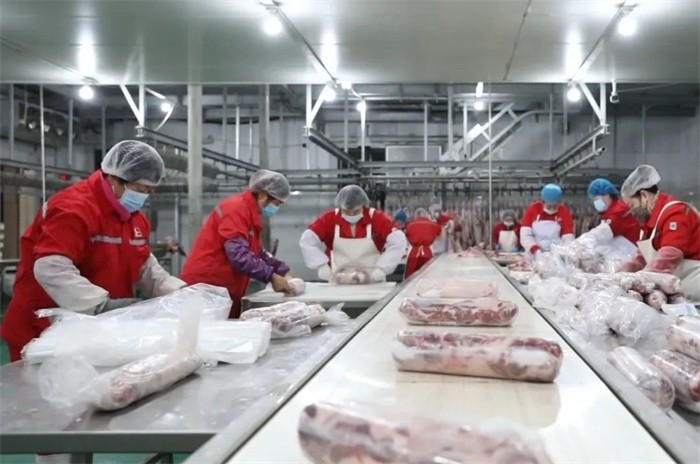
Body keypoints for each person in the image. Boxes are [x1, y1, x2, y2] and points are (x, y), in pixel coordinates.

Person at [181, 170, 295, 318]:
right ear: (262, 195)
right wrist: (271, 277)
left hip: (222, 290)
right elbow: (238, 254)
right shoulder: (236, 209)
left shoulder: (250, 215)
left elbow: (258, 252)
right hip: (206, 290)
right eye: (276, 204)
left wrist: (283, 271)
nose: (275, 209)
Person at [618, 165, 700, 300]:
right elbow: (641, 258)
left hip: (694, 283)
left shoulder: (675, 212)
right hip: (677, 285)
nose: (632, 212)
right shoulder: (649, 222)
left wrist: (641, 280)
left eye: (632, 205)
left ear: (644, 195)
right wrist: (619, 275)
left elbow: (670, 254)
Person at [299, 185, 407, 281]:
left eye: (356, 211)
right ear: (340, 208)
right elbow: (307, 240)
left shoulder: (377, 218)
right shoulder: (329, 219)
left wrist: (382, 269)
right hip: (340, 280)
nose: (351, 215)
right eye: (346, 211)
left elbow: (398, 241)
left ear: (363, 206)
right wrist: (321, 265)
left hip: (373, 281)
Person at [520, 183, 575, 257]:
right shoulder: (532, 210)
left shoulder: (564, 212)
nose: (552, 209)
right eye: (549, 207)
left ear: (559, 202)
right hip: (534, 255)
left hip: (556, 254)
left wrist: (565, 252)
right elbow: (525, 235)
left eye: (555, 206)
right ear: (542, 201)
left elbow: (568, 237)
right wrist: (535, 250)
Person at [587, 178, 641, 246]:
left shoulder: (618, 212)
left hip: (628, 250)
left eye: (596, 199)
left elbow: (601, 236)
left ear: (607, 195)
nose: (595, 202)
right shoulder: (611, 211)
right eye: (593, 200)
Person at [404, 208, 443, 278]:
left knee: (410, 279)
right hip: (427, 253)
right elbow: (440, 234)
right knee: (428, 277)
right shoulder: (432, 224)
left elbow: (406, 236)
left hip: (414, 254)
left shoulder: (410, 224)